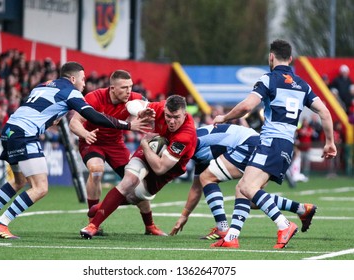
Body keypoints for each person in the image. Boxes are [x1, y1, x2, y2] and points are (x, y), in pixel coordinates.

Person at [0, 61, 153, 239]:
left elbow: (36, 107)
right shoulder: (71, 92)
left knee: (19, 181)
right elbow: (94, 117)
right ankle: (1, 224)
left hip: (9, 130)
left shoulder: (43, 86)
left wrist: (54, 117)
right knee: (40, 187)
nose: (84, 83)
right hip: (24, 135)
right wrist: (128, 125)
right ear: (73, 78)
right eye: (82, 79)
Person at [213, 39, 337, 249]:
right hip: (286, 146)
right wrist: (330, 142)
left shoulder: (269, 79)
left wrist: (224, 117)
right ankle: (232, 238)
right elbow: (324, 112)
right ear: (290, 59)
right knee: (244, 190)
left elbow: (247, 106)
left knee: (246, 186)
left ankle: (284, 225)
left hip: (271, 142)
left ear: (271, 57)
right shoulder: (303, 85)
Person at [169, 124, 318, 248]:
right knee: (251, 196)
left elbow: (206, 176)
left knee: (214, 179)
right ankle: (301, 209)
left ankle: (224, 230)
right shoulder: (193, 149)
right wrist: (184, 216)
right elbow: (197, 187)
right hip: (262, 145)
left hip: (250, 144)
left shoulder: (196, 141)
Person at [79, 94, 197, 239]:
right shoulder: (159, 108)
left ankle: (100, 207)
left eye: (176, 117)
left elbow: (160, 168)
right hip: (149, 149)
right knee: (129, 181)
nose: (171, 121)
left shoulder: (186, 135)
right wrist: (139, 112)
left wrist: (144, 145)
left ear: (185, 114)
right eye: (168, 116)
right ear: (164, 109)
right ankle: (93, 226)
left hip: (165, 169)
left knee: (135, 197)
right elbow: (132, 104)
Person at [69, 69, 166, 236]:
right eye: (123, 88)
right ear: (112, 88)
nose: (128, 91)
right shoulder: (94, 98)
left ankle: (149, 226)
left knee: (136, 182)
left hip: (116, 144)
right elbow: (74, 122)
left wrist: (149, 115)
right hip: (93, 141)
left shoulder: (135, 98)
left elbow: (154, 113)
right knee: (96, 170)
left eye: (130, 87)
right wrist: (85, 134)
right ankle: (93, 222)